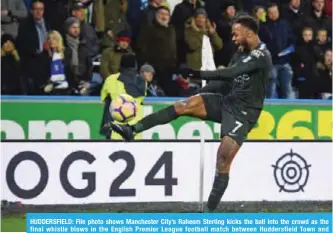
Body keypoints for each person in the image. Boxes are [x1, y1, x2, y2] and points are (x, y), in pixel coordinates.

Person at [107, 15, 273, 212]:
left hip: (244, 113)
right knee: (183, 105)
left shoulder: (262, 56)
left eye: (236, 34)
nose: (233, 38)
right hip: (227, 101)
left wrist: (195, 74)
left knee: (223, 159)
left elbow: (229, 73)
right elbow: (226, 82)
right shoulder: (240, 51)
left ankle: (208, 212)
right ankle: (132, 130)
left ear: (250, 33)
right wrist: (200, 93)